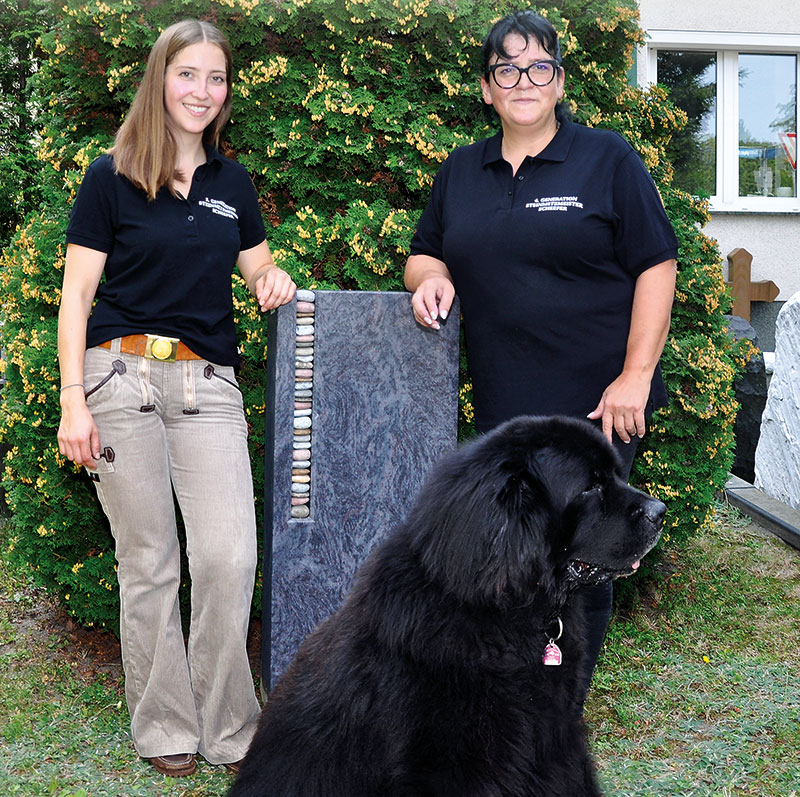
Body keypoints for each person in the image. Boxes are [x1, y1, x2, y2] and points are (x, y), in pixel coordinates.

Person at [404, 10, 677, 702]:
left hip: (597, 411)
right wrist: (429, 277)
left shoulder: (607, 159)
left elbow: (657, 263)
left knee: (583, 563)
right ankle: (516, 700)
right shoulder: (462, 170)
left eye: (538, 68)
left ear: (559, 83)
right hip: (507, 422)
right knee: (511, 562)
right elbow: (425, 251)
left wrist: (635, 376)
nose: (523, 80)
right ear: (488, 90)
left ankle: (561, 711)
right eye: (507, 69)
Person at [57, 20, 295, 777]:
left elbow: (257, 272)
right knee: (150, 561)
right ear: (160, 79)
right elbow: (76, 296)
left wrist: (271, 280)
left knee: (229, 555)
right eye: (188, 74)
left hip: (207, 387)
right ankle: (164, 725)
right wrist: (73, 401)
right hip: (117, 380)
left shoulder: (233, 185)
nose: (203, 91)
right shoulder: (112, 174)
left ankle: (231, 728)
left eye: (216, 78)